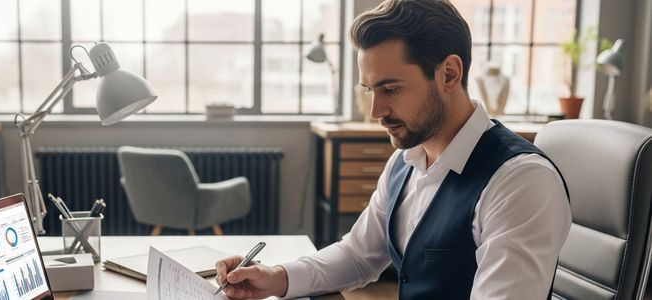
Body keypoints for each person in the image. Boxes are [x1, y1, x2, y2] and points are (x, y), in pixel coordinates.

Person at [215, 0, 571, 299]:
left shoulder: (520, 183)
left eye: (391, 89)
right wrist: (275, 277)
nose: (376, 112)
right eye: (370, 90)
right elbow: (358, 254)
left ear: (449, 74)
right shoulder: (405, 161)